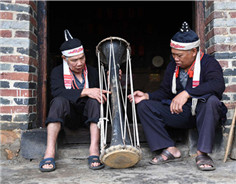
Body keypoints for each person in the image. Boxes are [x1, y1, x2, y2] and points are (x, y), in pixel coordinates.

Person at [128, 22, 227, 171]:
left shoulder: (208, 63)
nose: (175, 58)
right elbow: (165, 92)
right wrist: (147, 96)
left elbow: (218, 85)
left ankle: (203, 153)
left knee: (211, 101)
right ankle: (170, 148)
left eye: (179, 55)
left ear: (193, 51)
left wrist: (187, 93)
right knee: (143, 105)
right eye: (173, 54)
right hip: (182, 113)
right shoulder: (172, 66)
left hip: (203, 113)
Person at [39, 29, 110, 172]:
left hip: (88, 115)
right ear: (65, 59)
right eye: (74, 60)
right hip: (69, 116)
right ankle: (49, 152)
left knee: (96, 100)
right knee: (58, 101)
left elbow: (103, 93)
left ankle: (94, 150)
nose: (79, 63)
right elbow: (57, 92)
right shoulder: (57, 72)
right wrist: (86, 91)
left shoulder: (92, 71)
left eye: (82, 58)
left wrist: (111, 80)